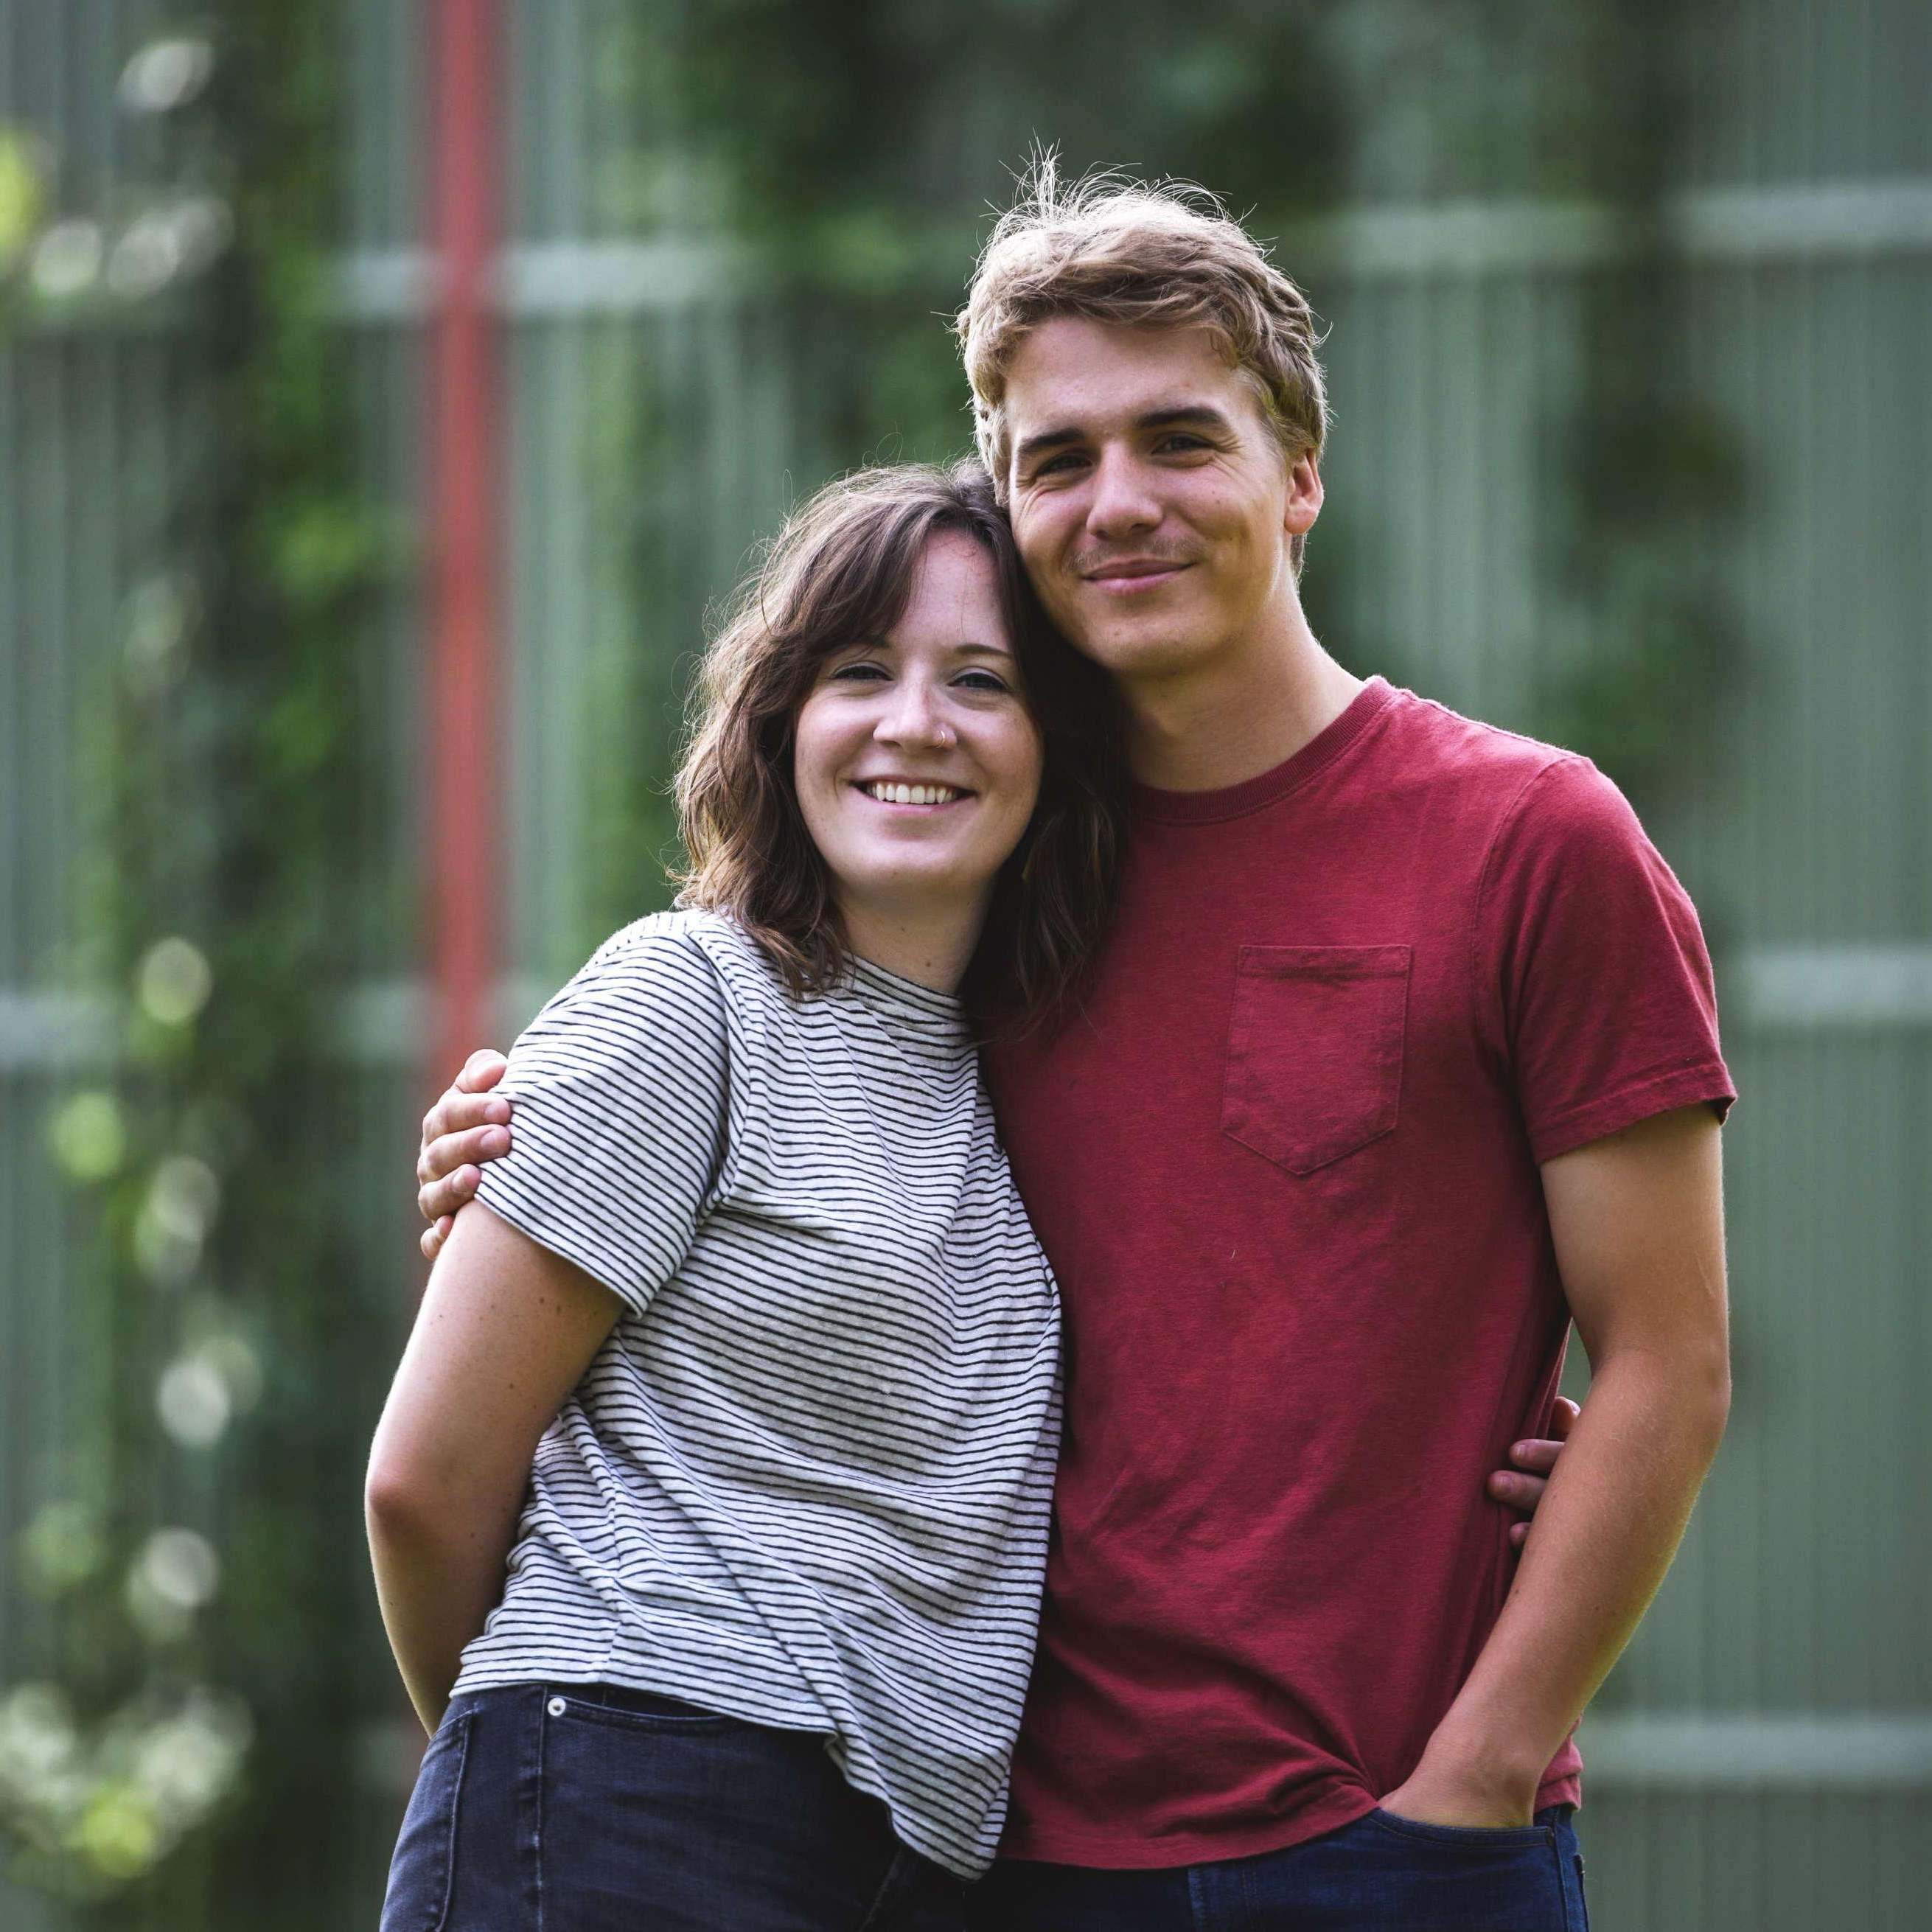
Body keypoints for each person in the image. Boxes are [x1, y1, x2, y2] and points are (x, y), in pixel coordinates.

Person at [416, 168, 1729, 1931]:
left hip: (1394, 1841)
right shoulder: (992, 870)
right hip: (986, 1863)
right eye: (1058, 458)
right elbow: (758, 1182)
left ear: (1300, 474)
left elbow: (1671, 1360)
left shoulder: (1528, 840)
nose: (1120, 503)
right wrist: (517, 1172)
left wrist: (1471, 1783)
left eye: (1181, 440)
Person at [367, 461, 1125, 1930]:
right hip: (628, 1807)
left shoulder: (1017, 1083)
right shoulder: (690, 999)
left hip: (887, 1866)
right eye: (860, 672)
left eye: (983, 679)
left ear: (1056, 746)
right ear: (783, 725)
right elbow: (422, 1482)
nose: (917, 724)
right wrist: (543, 1753)